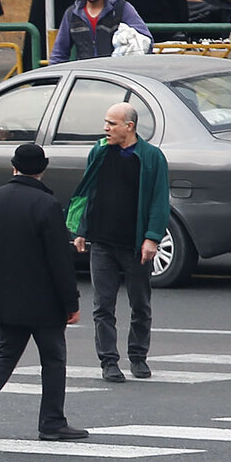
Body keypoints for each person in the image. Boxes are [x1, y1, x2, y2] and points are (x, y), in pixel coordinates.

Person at [0, 143, 85, 444]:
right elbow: (59, 260)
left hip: (4, 294)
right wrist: (71, 302)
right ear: (43, 168)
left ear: (13, 166)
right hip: (44, 300)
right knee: (53, 358)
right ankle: (52, 422)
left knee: (4, 354)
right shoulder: (47, 205)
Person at [68, 103, 171, 383]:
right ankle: (108, 361)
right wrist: (81, 229)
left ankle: (138, 357)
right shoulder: (99, 151)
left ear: (130, 126)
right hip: (102, 242)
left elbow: (159, 200)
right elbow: (89, 191)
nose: (106, 128)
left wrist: (152, 238)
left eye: (112, 124)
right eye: (106, 122)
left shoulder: (151, 157)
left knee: (140, 303)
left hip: (134, 245)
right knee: (103, 306)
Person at [50, 0, 152, 64]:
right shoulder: (72, 14)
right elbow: (59, 54)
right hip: (85, 77)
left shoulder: (121, 8)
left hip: (114, 76)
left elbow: (146, 40)